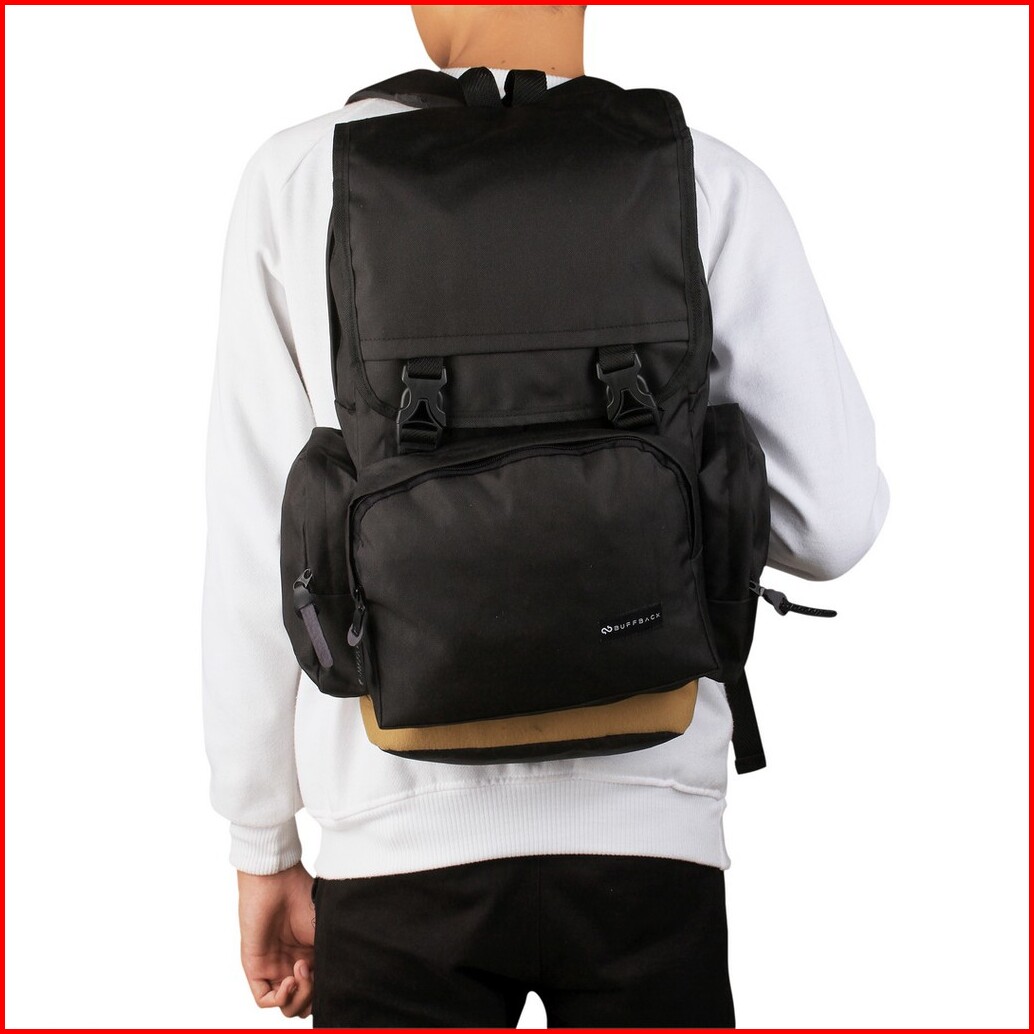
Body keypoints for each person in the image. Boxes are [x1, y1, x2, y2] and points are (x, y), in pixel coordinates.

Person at [202, 5, 891, 1027]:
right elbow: (831, 523)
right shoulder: (702, 178)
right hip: (650, 847)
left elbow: (255, 544)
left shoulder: (300, 178)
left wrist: (261, 842)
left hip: (391, 844)